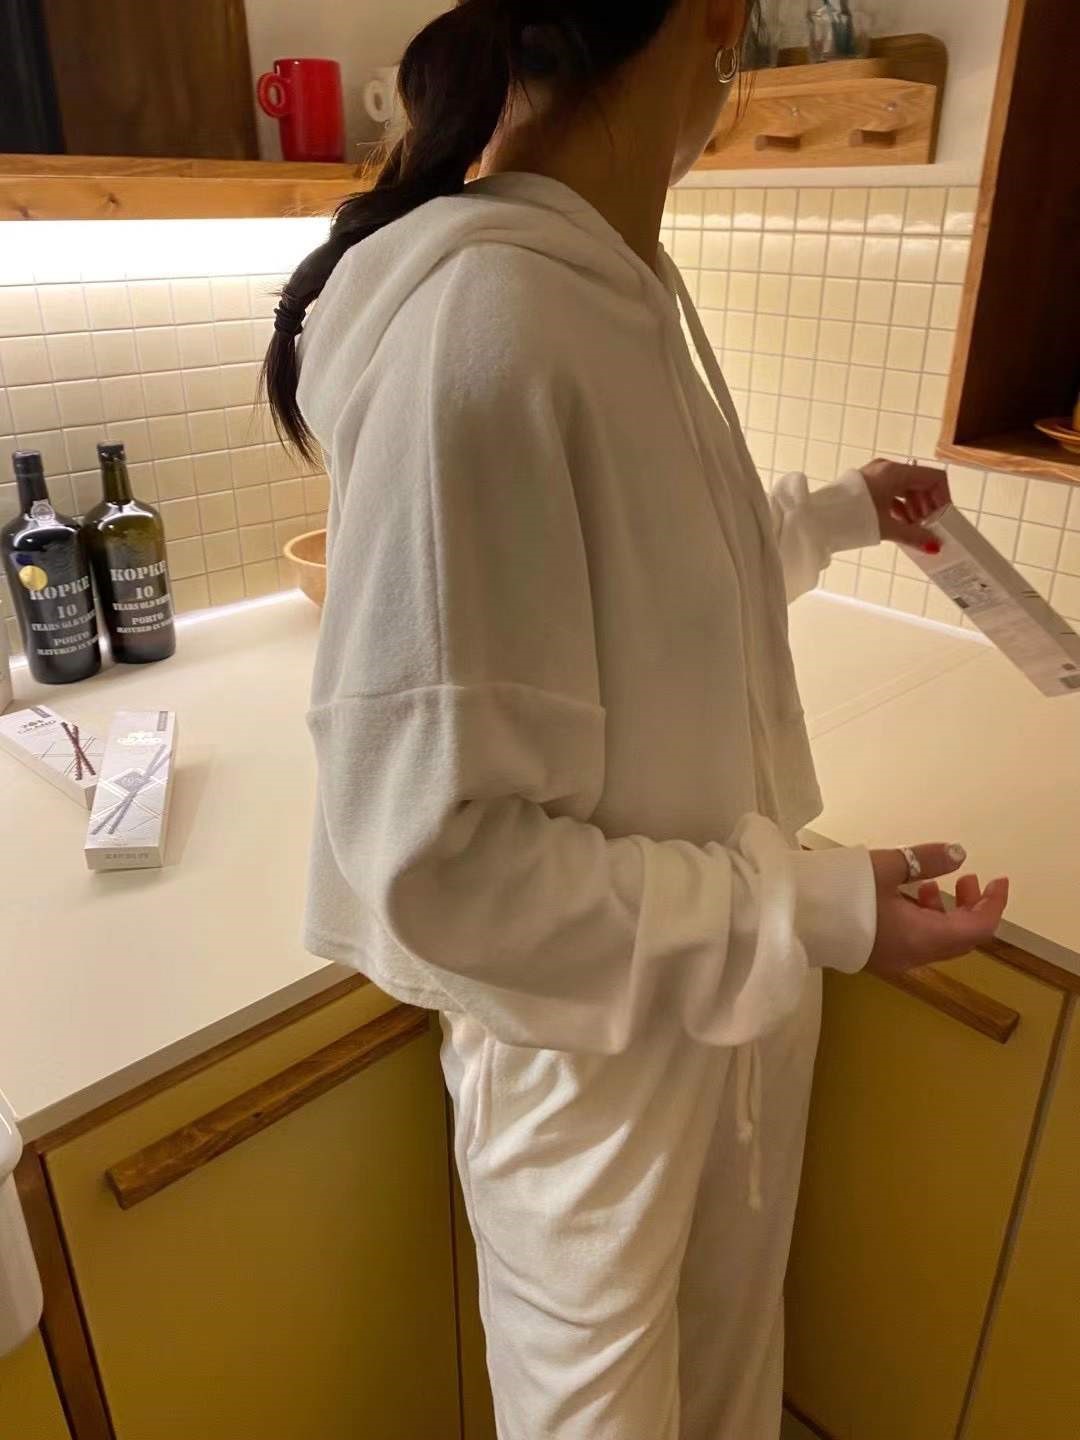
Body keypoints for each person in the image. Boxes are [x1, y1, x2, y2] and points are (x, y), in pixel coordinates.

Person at [262, 2, 1010, 1435]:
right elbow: (445, 871)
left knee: (730, 1386)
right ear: (718, 22)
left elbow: (651, 576)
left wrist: (832, 517)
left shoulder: (617, 280)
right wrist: (805, 909)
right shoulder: (481, 327)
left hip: (721, 995)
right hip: (589, 1063)